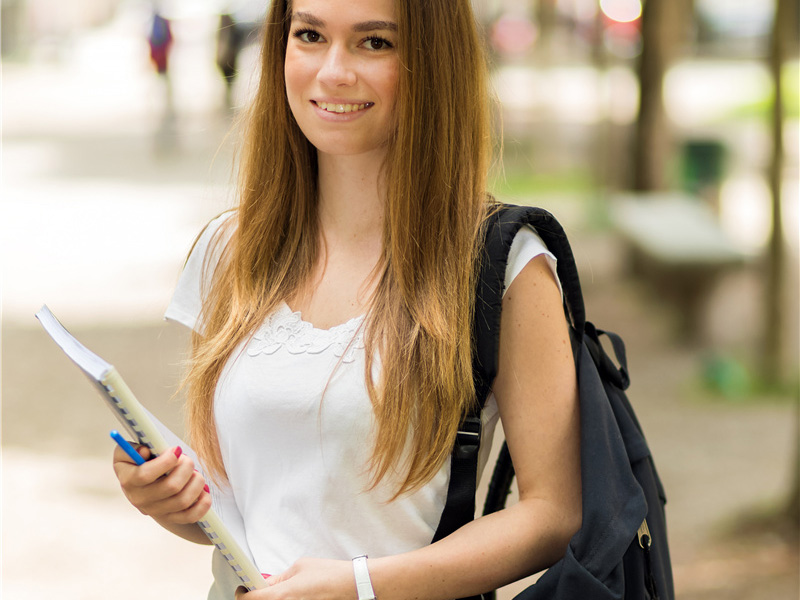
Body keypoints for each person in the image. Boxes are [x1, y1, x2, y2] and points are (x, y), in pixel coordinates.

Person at [113, 1, 582, 599]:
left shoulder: (499, 262)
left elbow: (554, 513)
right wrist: (171, 498)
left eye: (375, 43)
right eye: (309, 35)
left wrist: (361, 586)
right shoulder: (228, 252)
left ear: (433, 64)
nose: (333, 71)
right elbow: (239, 504)